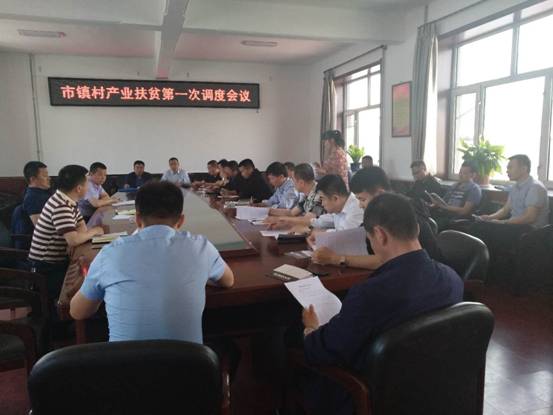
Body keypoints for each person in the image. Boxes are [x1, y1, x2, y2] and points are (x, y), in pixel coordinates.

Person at [300, 193, 463, 415]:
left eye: (369, 239)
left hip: (371, 397)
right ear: (416, 229)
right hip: (431, 391)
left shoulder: (369, 294)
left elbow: (324, 351)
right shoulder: (452, 279)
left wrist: (310, 329)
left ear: (379, 234)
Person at [70, 181, 234, 343]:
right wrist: (199, 275)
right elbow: (228, 280)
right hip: (190, 360)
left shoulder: (110, 253)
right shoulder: (201, 247)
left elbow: (77, 312)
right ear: (181, 220)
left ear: (137, 219)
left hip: (124, 360)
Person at [312, 167, 441, 269]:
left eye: (362, 199)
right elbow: (359, 235)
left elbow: (385, 259)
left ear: (380, 194)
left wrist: (337, 259)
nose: (360, 205)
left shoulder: (404, 214)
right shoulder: (380, 214)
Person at [466, 155, 550, 283]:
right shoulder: (515, 187)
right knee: (479, 226)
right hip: (515, 225)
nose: (507, 170)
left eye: (510, 167)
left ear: (524, 169)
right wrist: (489, 217)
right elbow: (505, 210)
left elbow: (530, 217)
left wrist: (503, 222)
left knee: (485, 230)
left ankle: (487, 274)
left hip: (532, 231)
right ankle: (482, 272)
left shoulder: (535, 187)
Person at [28, 165, 104, 300]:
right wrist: (95, 231)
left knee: (87, 274)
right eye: (87, 183)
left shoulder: (68, 200)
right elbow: (74, 239)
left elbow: (81, 227)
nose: (88, 187)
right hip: (46, 267)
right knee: (83, 287)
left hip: (56, 261)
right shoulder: (61, 205)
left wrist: (80, 236)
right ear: (79, 188)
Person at [264, 163, 324, 228]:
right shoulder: (308, 194)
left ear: (301, 183)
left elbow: (307, 220)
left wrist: (280, 220)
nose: (291, 182)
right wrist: (268, 211)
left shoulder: (318, 195)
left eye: (293, 179)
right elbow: (291, 213)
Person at [430, 161, 482, 230]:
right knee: (424, 218)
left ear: (473, 175)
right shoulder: (454, 186)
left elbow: (464, 211)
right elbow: (443, 201)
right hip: (443, 213)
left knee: (431, 226)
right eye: (460, 172)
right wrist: (435, 203)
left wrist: (444, 207)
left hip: (456, 218)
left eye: (464, 173)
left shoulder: (474, 189)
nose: (460, 175)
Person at [11, 161, 51, 248]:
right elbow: (42, 229)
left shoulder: (38, 192)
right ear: (33, 179)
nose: (49, 178)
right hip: (34, 246)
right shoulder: (33, 197)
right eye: (45, 176)